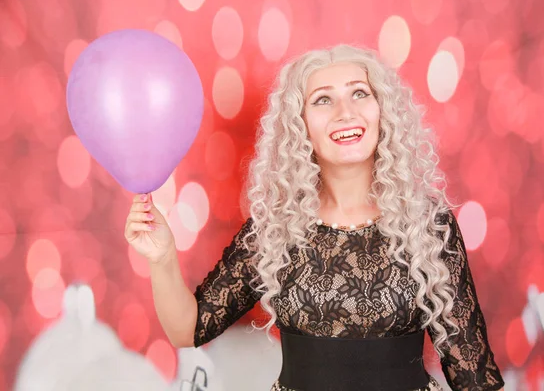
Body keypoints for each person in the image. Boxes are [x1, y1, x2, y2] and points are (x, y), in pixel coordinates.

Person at [125, 45, 505, 391]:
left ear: (382, 110)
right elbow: (188, 329)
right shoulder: (276, 230)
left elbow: (474, 376)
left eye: (360, 93)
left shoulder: (428, 226)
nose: (346, 112)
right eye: (323, 100)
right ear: (299, 126)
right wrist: (162, 257)